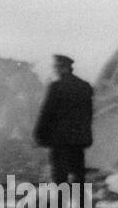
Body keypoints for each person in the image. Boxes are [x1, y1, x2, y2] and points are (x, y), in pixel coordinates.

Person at [33, 54, 93, 184]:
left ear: (60, 68)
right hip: (78, 140)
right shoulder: (84, 87)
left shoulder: (56, 86)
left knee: (60, 177)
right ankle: (80, 203)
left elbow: (46, 113)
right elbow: (88, 114)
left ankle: (61, 204)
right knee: (78, 175)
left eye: (56, 67)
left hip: (59, 141)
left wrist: (39, 135)